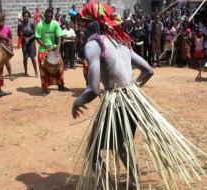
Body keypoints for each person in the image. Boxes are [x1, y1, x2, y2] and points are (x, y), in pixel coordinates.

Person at [72, 1, 207, 190]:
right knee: (122, 144)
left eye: (83, 22)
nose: (82, 26)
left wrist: (77, 101)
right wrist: (131, 89)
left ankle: (111, 186)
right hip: (133, 100)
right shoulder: (121, 43)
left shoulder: (94, 44)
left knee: (95, 152)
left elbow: (93, 90)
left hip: (116, 102)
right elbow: (149, 70)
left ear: (91, 22)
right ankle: (133, 181)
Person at [35, 8, 69, 96]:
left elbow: (59, 37)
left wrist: (57, 49)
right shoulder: (40, 25)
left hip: (54, 49)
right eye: (48, 16)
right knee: (43, 69)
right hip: (43, 50)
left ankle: (61, 85)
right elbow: (38, 38)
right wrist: (46, 46)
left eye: (51, 17)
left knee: (61, 67)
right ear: (44, 16)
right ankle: (44, 89)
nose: (49, 18)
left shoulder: (55, 24)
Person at [0, 15, 14, 81]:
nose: (1, 23)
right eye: (0, 21)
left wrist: (10, 46)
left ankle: (10, 75)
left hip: (5, 47)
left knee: (6, 61)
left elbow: (10, 38)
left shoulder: (7, 28)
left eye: (2, 21)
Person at [21, 10, 38, 77]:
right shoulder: (20, 24)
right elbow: (19, 34)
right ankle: (25, 72)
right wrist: (24, 38)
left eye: (27, 16)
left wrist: (29, 38)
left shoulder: (32, 23)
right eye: (24, 16)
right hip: (24, 41)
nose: (26, 17)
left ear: (29, 17)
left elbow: (35, 34)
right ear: (23, 16)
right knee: (25, 57)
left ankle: (36, 72)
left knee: (32, 57)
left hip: (31, 41)